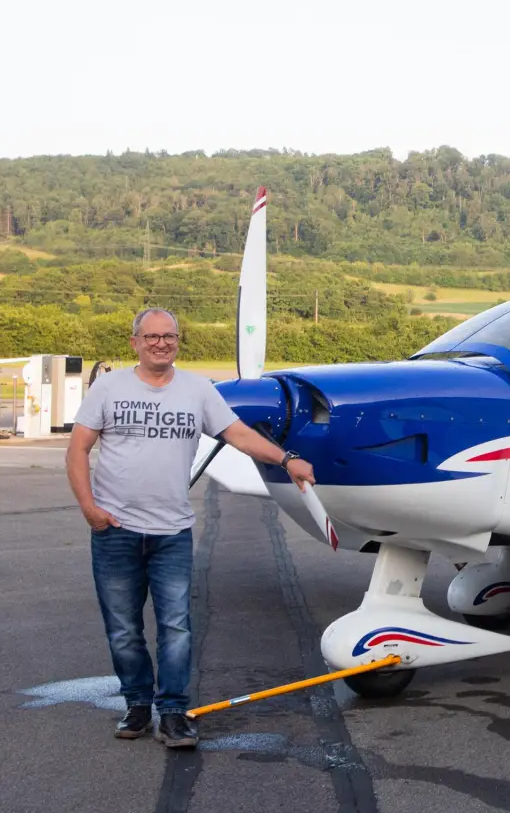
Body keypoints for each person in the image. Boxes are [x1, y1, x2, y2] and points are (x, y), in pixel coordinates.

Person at [65, 307, 316, 749]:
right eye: (152, 336)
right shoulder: (108, 388)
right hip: (114, 530)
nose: (161, 343)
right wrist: (89, 509)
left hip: (172, 534)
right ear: (135, 342)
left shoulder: (197, 390)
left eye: (169, 336)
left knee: (176, 626)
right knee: (123, 628)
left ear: (178, 341)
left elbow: (238, 434)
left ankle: (175, 712)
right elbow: (77, 450)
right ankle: (138, 704)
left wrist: (287, 458)